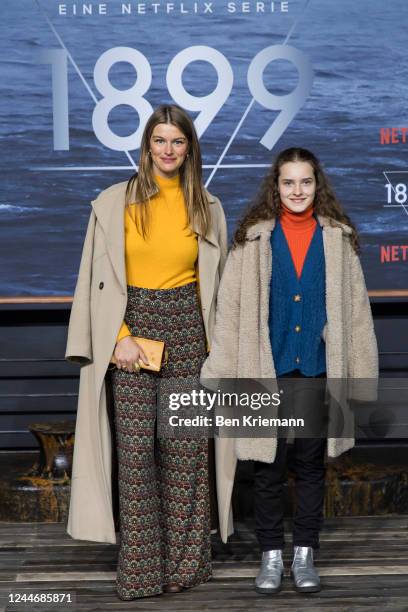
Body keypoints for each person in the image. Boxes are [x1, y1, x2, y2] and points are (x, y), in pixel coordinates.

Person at [65, 104, 227, 600]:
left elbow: (218, 287)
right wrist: (119, 335)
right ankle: (141, 571)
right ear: (146, 146)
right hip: (132, 333)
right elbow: (95, 283)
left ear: (189, 148)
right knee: (135, 455)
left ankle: (186, 566)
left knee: (184, 452)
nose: (168, 150)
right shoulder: (114, 203)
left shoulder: (208, 206)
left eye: (177, 142)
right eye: (160, 140)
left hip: (187, 332)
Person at [201, 147, 378, 594]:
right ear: (275, 187)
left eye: (305, 182)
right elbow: (230, 311)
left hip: (317, 369)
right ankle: (270, 555)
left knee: (311, 464)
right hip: (266, 368)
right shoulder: (252, 241)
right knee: (268, 466)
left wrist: (360, 376)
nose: (297, 191)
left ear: (317, 186)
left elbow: (356, 312)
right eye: (288, 182)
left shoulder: (338, 239)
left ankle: (304, 553)